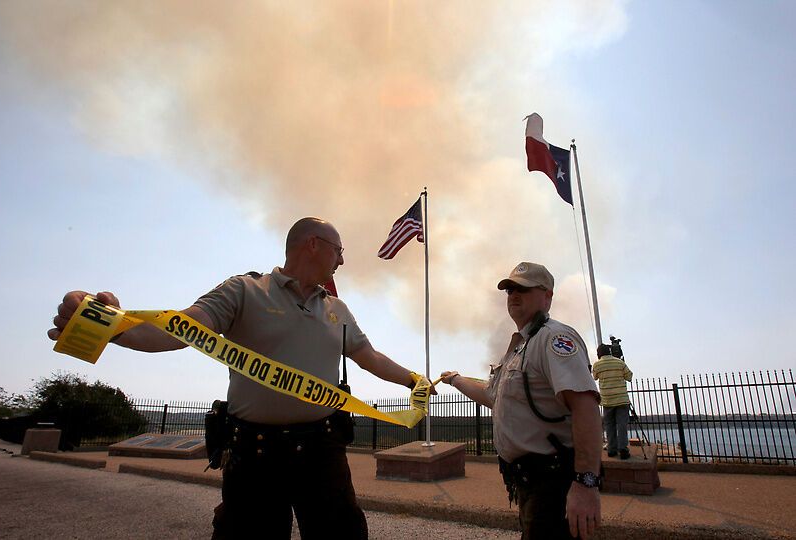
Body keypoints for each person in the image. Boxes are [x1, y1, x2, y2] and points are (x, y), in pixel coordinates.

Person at [48, 217, 430, 540]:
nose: (343, 260)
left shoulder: (338, 308)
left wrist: (414, 381)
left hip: (323, 452)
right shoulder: (244, 290)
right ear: (313, 244)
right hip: (255, 455)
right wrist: (114, 327)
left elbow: (369, 357)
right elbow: (181, 329)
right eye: (339, 249)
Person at [440, 262, 602, 540]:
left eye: (524, 289)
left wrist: (586, 484)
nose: (514, 295)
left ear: (547, 295)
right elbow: (493, 395)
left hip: (554, 484)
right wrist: (454, 379)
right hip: (529, 484)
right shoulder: (520, 345)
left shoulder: (554, 338)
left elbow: (585, 408)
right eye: (510, 289)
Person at [592, 343, 634, 459]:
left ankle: (611, 449)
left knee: (609, 425)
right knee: (622, 425)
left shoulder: (597, 365)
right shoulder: (619, 362)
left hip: (607, 400)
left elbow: (594, 377)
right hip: (621, 399)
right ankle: (623, 449)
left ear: (599, 354)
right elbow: (629, 376)